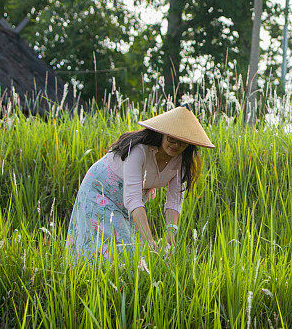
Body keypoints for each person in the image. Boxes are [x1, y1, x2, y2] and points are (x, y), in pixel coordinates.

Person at [66, 105, 215, 259]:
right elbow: (133, 199)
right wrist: (150, 241)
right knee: (114, 246)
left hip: (128, 201)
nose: (176, 145)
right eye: (171, 139)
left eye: (182, 142)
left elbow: (174, 199)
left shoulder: (181, 161)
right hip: (100, 191)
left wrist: (171, 235)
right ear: (162, 134)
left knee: (133, 248)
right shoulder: (138, 151)